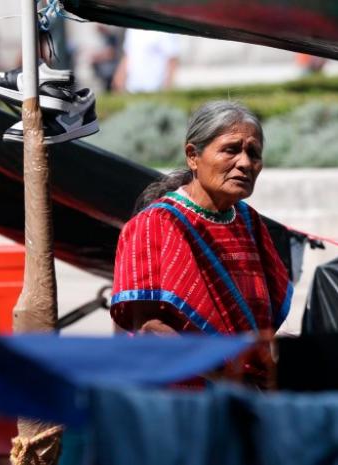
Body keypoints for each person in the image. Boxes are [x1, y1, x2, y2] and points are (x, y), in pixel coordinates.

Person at [110, 101, 293, 380]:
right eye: (231, 149)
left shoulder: (250, 222)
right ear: (193, 156)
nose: (245, 163)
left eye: (253, 153)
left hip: (245, 389)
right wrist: (222, 374)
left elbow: (263, 320)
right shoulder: (154, 224)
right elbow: (149, 327)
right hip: (182, 389)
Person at [112, 28, 180, 93]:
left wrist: (167, 88)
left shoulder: (164, 29)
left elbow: (172, 59)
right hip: (132, 88)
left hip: (155, 89)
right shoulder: (132, 28)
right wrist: (119, 80)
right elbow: (128, 55)